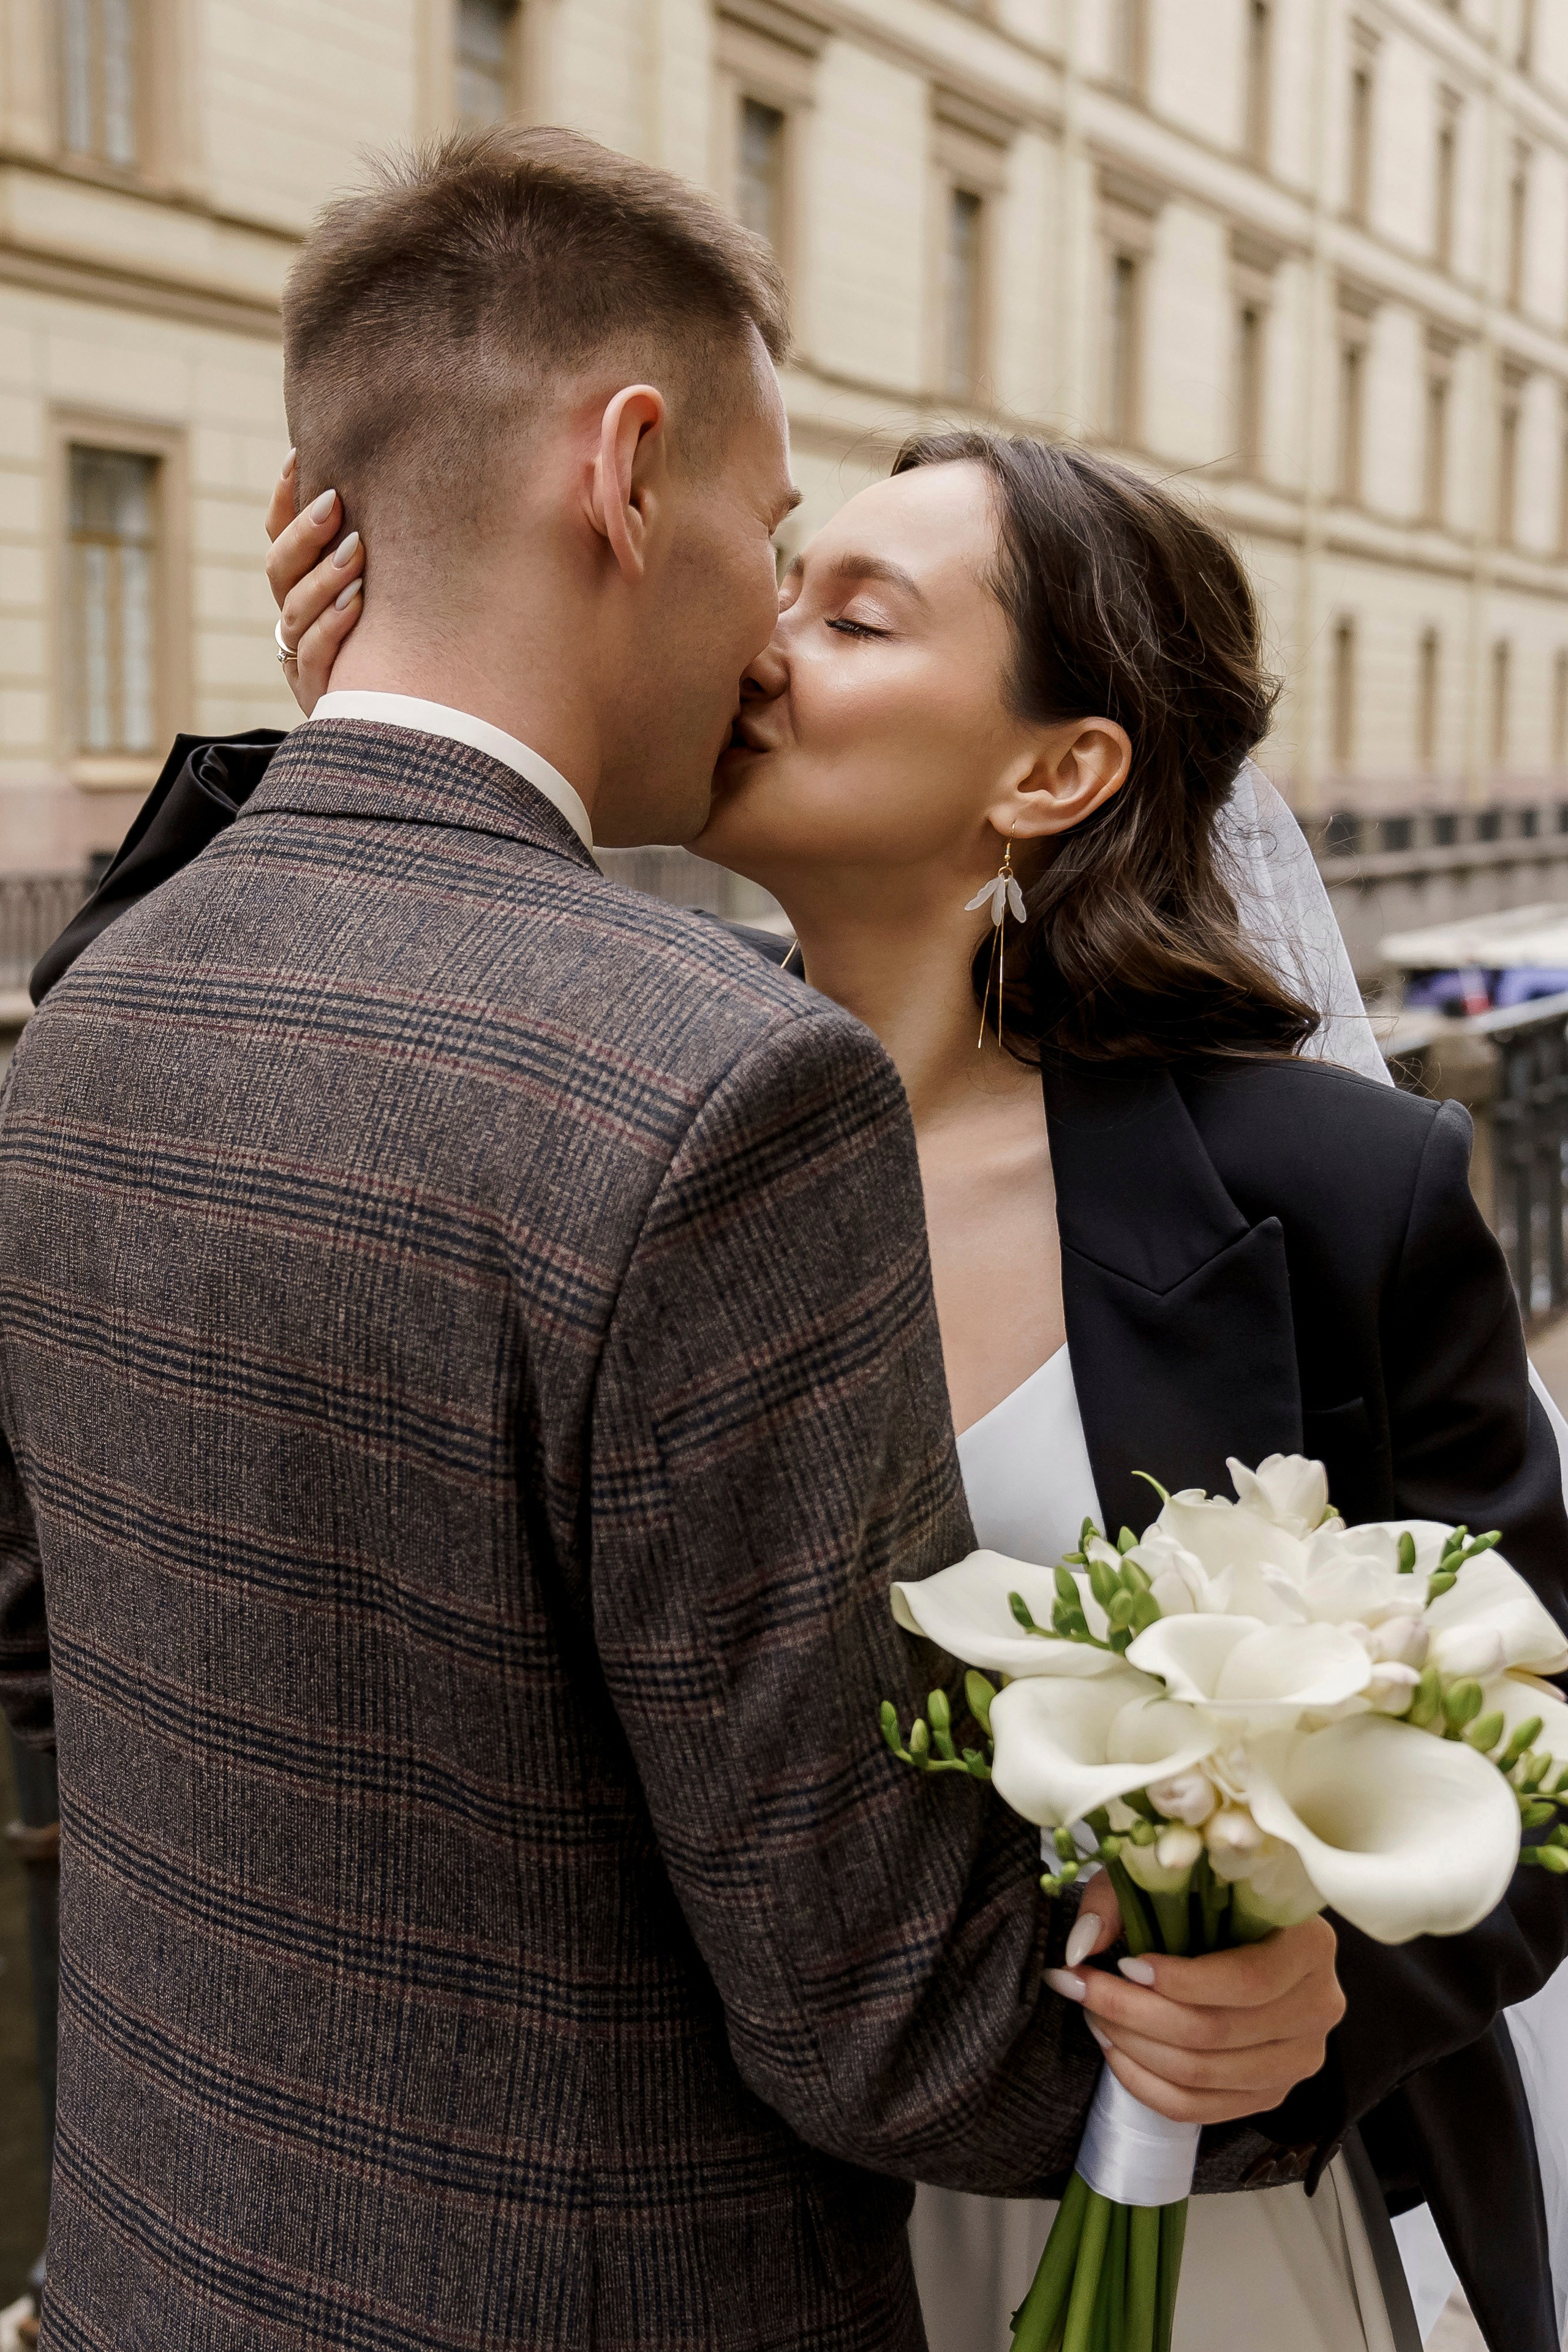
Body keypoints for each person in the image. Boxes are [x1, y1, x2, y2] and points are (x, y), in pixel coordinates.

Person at [0, 130, 1347, 2352]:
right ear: (630, 471)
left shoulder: (100, 1002)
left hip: (162, 2275)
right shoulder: (720, 1082)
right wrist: (1254, 2023)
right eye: (772, 532)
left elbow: (41, 1634)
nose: (765, 623)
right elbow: (884, 2016)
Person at [239, 426, 1568, 2352]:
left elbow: (1536, 1750)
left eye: (854, 617)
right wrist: (368, 760)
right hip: (683, 2249)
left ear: (1056, 769)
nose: (761, 646)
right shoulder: (570, 1133)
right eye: (778, 587)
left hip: (1180, 2236)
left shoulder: (1335, 1194)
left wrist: (1324, 1976)